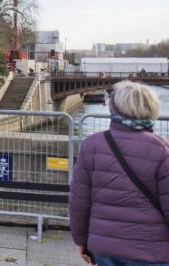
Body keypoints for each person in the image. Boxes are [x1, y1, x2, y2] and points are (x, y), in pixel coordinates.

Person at [70, 80, 169, 266]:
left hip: (104, 247)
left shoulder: (92, 144)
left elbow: (79, 201)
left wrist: (82, 240)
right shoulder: (161, 149)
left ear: (113, 107)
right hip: (151, 249)